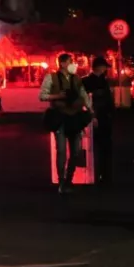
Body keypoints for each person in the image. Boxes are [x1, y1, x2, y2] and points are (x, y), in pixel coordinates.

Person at [39, 53, 95, 194]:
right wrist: (58, 96)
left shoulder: (76, 79)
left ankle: (69, 179)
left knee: (76, 151)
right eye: (71, 62)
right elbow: (42, 96)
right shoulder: (50, 78)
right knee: (62, 151)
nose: (73, 64)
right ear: (62, 64)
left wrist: (91, 111)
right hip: (60, 117)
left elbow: (83, 94)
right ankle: (62, 182)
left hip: (75, 117)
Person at [81, 56, 116, 184]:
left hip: (105, 118)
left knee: (105, 147)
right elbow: (86, 100)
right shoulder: (87, 82)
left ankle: (104, 175)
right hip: (95, 118)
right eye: (104, 67)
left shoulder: (103, 81)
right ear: (99, 67)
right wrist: (92, 116)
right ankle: (96, 175)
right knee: (93, 147)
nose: (106, 69)